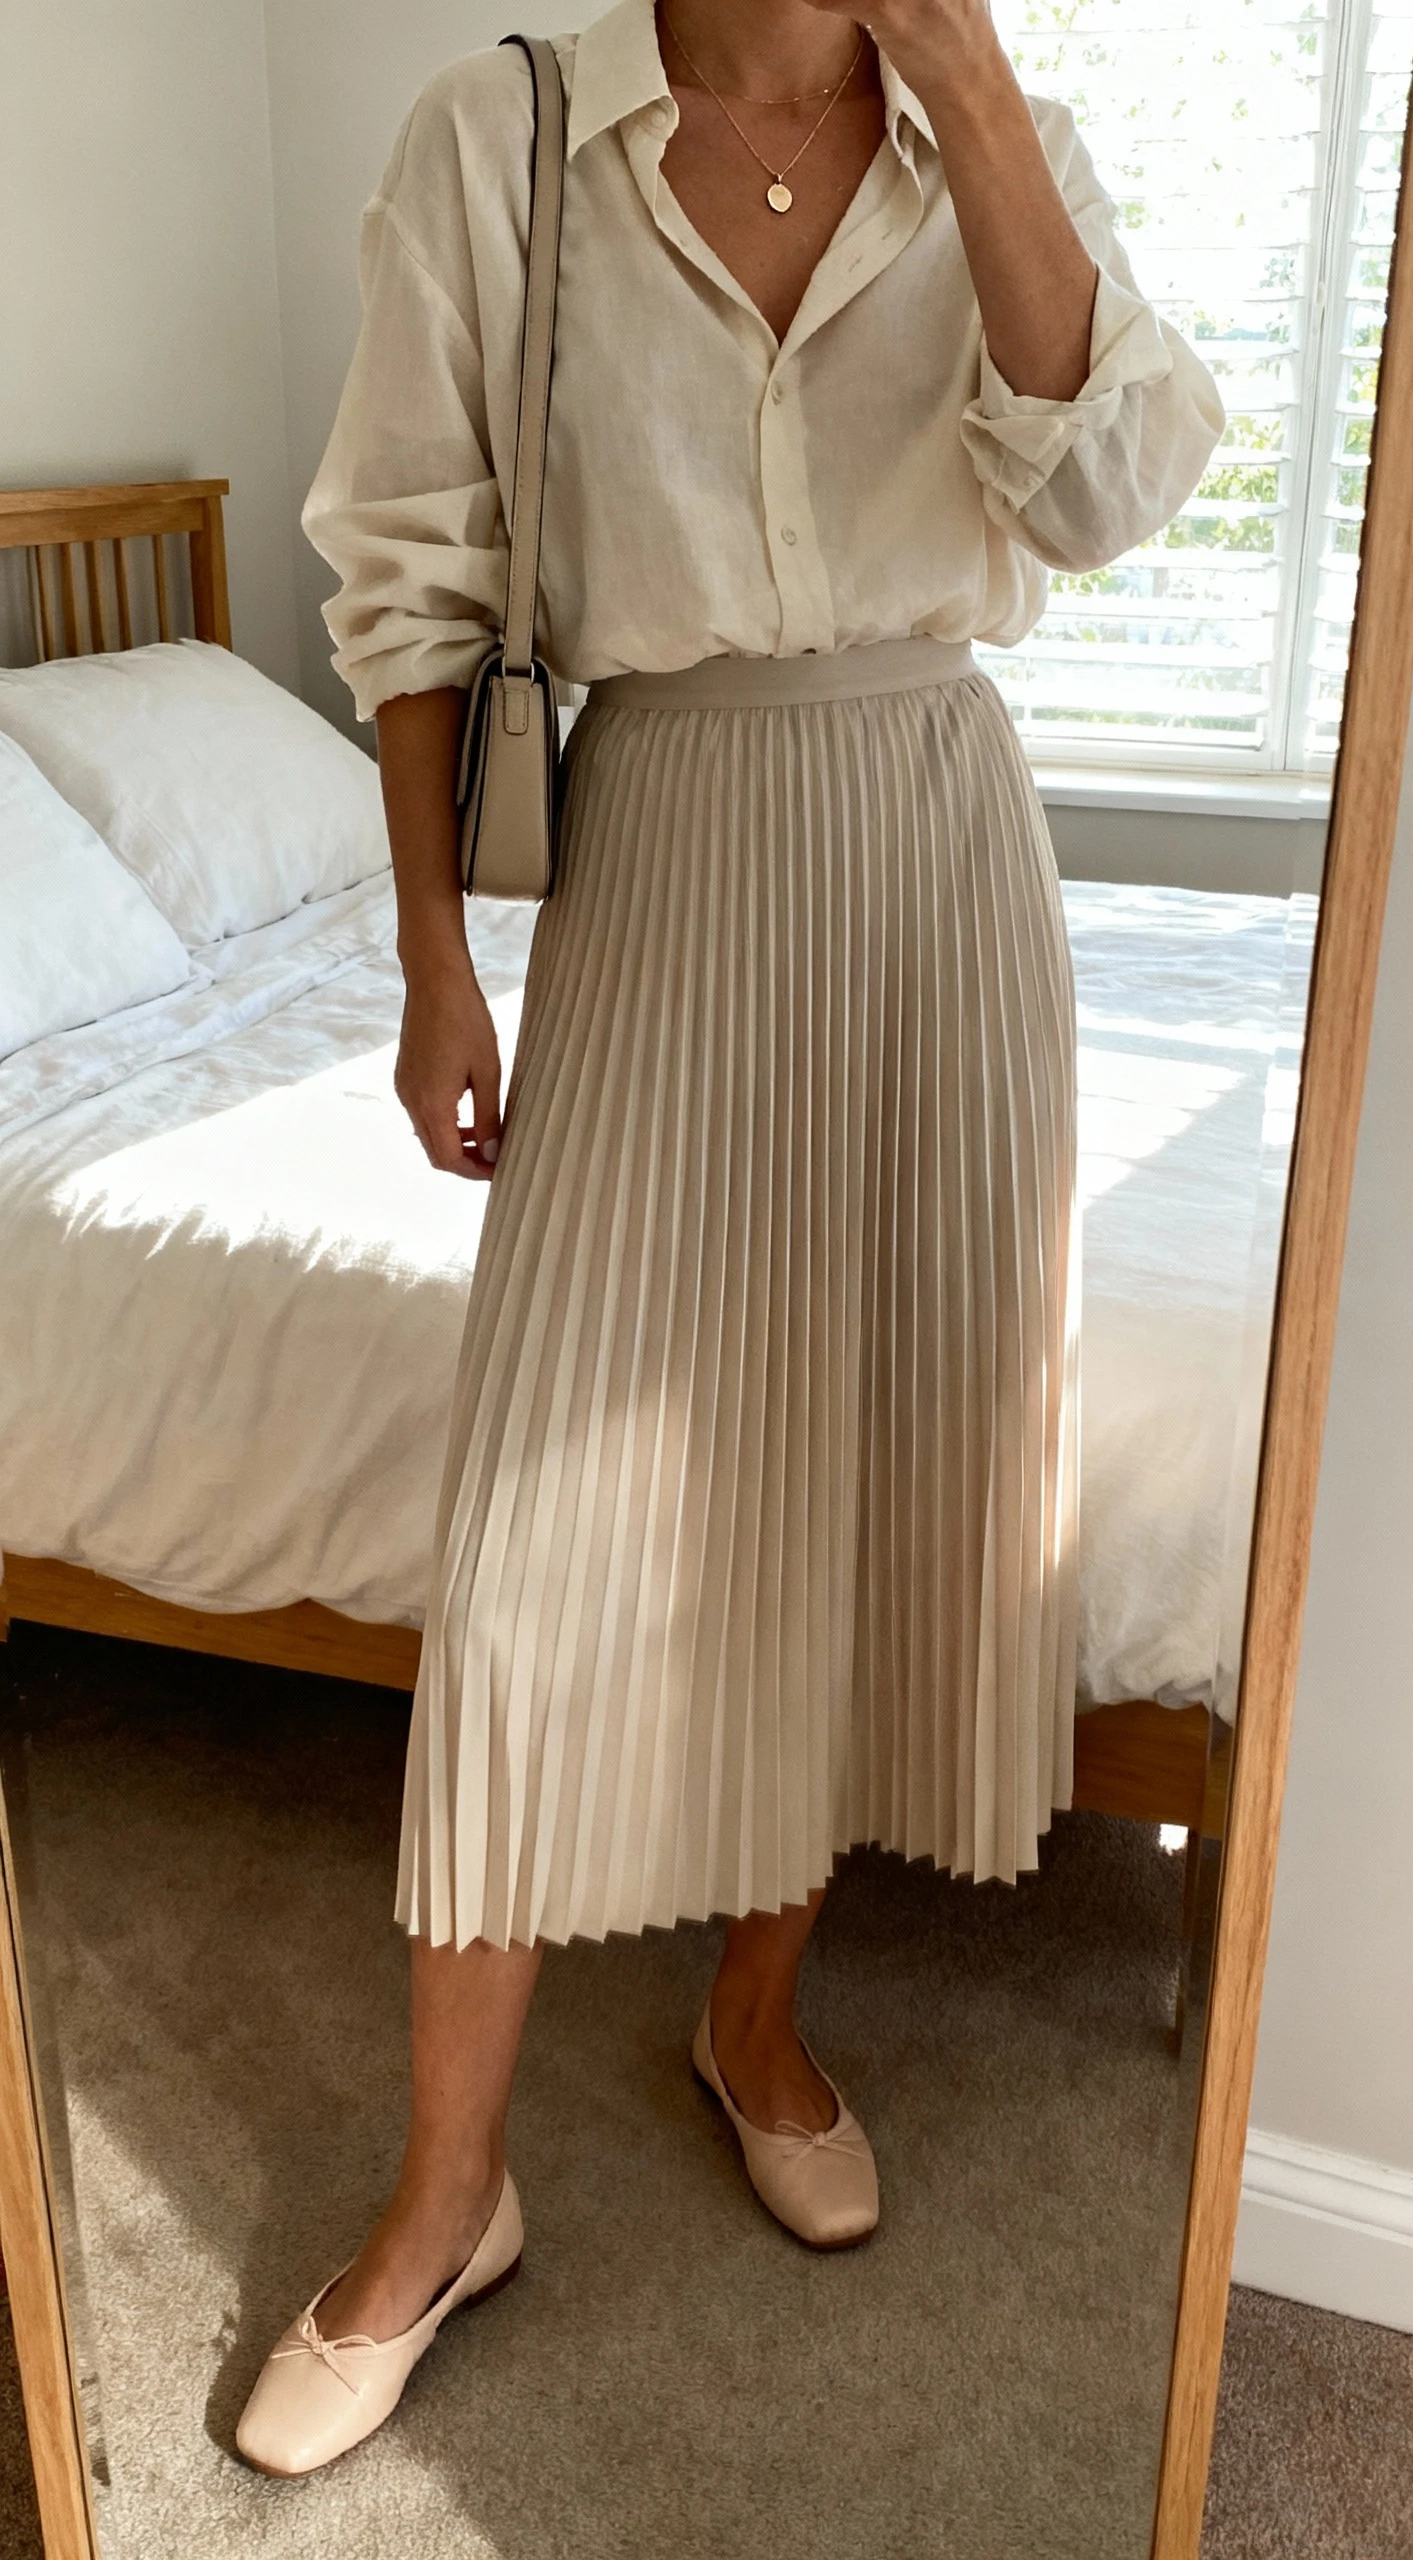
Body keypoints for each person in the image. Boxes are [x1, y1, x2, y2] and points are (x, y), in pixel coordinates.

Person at [235, 0, 1223, 2477]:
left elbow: (1106, 494)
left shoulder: (1001, 129)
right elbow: (415, 570)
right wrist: (436, 951)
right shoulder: (508, 135)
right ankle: (446, 2187)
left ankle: (751, 2016)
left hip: (936, 853)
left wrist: (976, 92)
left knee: (871, 1468)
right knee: (543, 1535)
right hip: (662, 850)